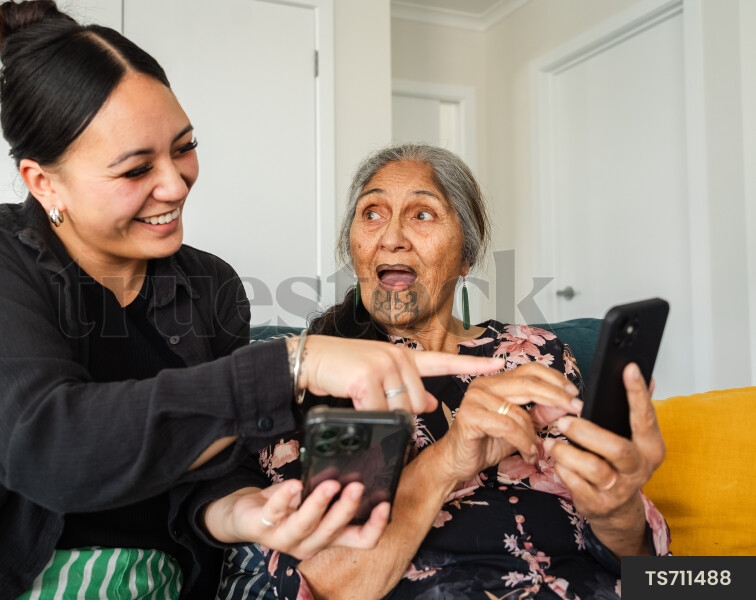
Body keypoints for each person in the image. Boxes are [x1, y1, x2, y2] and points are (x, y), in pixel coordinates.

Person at [0, 5, 504, 599]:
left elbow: (205, 466)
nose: (175, 183)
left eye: (185, 146)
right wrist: (289, 363)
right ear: (43, 181)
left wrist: (243, 512)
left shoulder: (207, 287)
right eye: (136, 169)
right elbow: (48, 448)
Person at [218, 143, 671, 600]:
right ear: (353, 247)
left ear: (465, 257)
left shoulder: (539, 352)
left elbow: (650, 575)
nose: (391, 236)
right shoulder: (316, 373)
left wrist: (619, 514)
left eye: (422, 215)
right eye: (372, 213)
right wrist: (449, 458)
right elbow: (317, 585)